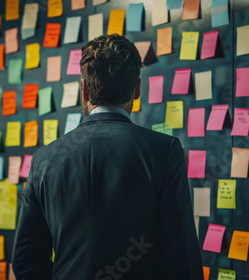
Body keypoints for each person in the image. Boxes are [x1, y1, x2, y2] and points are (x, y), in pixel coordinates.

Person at [12, 34, 204, 280]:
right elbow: (183, 258)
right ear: (137, 89)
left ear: (84, 89)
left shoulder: (45, 158)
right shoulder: (164, 151)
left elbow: (25, 260)